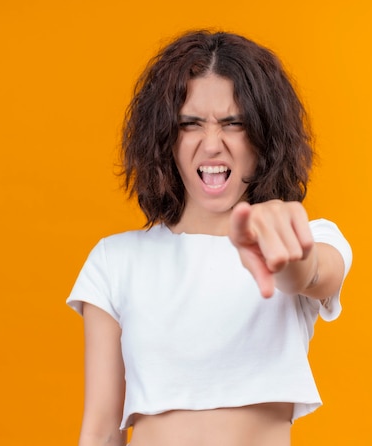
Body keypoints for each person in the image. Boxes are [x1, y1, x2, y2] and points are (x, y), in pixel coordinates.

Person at [67, 30, 352, 446]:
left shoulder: (308, 237)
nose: (212, 144)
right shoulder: (115, 260)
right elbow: (100, 430)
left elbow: (308, 273)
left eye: (234, 123)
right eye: (190, 124)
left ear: (264, 138)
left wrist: (283, 252)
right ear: (165, 138)